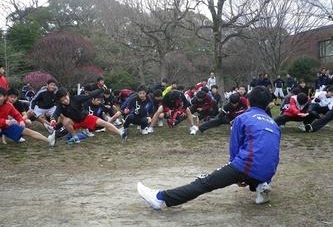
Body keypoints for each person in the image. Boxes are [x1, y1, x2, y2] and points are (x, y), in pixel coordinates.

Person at [137, 86, 281, 209]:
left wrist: (235, 174)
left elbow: (234, 149)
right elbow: (273, 152)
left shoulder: (243, 118)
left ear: (248, 101)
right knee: (259, 161)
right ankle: (261, 187)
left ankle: (160, 198)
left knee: (205, 182)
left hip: (247, 166)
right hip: (269, 172)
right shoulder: (274, 124)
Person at [52, 88, 126, 144]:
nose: (65, 101)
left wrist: (101, 89)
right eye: (62, 100)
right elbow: (56, 113)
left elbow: (90, 95)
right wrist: (53, 120)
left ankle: (121, 133)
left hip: (86, 118)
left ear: (67, 95)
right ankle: (75, 138)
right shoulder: (60, 106)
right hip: (74, 122)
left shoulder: (76, 98)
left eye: (65, 98)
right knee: (65, 121)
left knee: (104, 123)